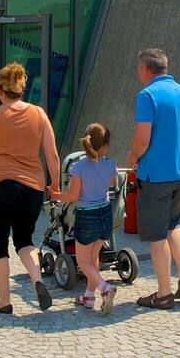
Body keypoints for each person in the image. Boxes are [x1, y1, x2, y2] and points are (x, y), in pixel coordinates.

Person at [0, 62, 60, 314]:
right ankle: (38, 280)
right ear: (22, 87)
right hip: (32, 186)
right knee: (24, 240)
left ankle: (4, 301)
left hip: (1, 183)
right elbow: (52, 155)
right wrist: (55, 186)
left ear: (0, 89)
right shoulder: (39, 113)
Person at [127, 48, 180, 310]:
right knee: (174, 225)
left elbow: (143, 139)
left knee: (157, 234)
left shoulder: (147, 95)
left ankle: (164, 293)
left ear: (145, 69)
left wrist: (134, 155)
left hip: (157, 175)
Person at [51, 123, 120, 314]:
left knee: (82, 261)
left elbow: (73, 196)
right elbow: (113, 183)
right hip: (105, 213)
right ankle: (89, 296)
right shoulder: (110, 164)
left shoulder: (78, 167)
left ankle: (104, 288)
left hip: (87, 215)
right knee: (93, 257)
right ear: (105, 145)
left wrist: (55, 195)